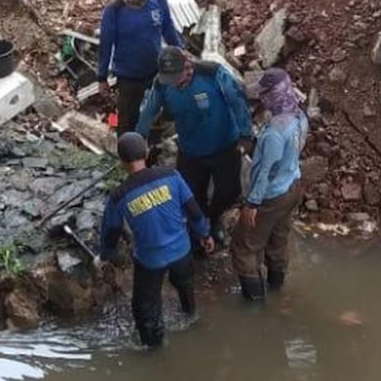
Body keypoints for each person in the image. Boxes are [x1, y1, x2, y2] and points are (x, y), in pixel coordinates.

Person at [100, 132, 214, 348]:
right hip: (182, 249)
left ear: (122, 161)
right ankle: (190, 314)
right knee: (184, 283)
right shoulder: (171, 175)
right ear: (146, 152)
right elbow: (193, 210)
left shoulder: (119, 196)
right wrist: (205, 235)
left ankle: (154, 350)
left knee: (145, 306)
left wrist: (107, 255)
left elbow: (110, 232)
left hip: (150, 260)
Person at [136, 47, 254, 247]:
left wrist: (246, 135)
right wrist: (140, 138)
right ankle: (199, 229)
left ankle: (214, 218)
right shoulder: (161, 84)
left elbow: (237, 101)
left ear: (187, 67)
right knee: (190, 194)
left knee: (228, 191)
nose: (173, 84)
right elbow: (148, 110)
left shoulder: (213, 73)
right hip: (191, 150)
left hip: (225, 146)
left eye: (176, 78)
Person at [230, 68, 309, 302]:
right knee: (277, 240)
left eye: (264, 95)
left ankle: (256, 304)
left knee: (244, 245)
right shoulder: (300, 116)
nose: (261, 100)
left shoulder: (274, 132)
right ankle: (277, 289)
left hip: (270, 196)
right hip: (292, 185)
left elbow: (265, 171)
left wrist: (252, 203)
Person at [97, 0, 183, 135]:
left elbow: (167, 27)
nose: (136, 2)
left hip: (156, 71)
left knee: (166, 108)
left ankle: (157, 143)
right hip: (128, 77)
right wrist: (102, 78)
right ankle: (127, 153)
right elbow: (105, 45)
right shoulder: (113, 11)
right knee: (128, 119)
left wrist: (180, 51)